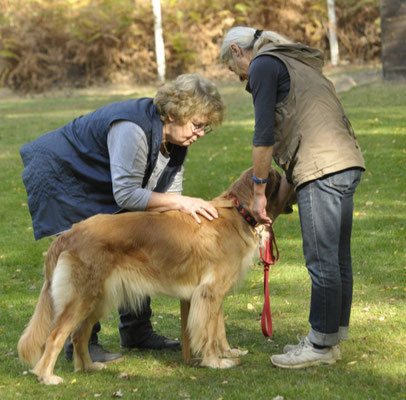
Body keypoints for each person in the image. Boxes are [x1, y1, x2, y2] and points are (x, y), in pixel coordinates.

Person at [20, 73, 225, 363]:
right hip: (64, 177)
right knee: (90, 257)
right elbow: (127, 196)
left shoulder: (178, 141)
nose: (201, 133)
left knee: (139, 247)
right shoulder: (133, 129)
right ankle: (81, 345)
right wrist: (179, 202)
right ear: (174, 113)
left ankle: (136, 332)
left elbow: (168, 199)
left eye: (207, 128)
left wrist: (179, 218)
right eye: (198, 125)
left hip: (106, 181)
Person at [220, 27, 365, 368]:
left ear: (239, 52)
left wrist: (258, 193)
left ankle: (319, 346)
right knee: (337, 257)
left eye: (233, 69)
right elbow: (297, 149)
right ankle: (333, 337)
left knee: (321, 260)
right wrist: (275, 207)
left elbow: (264, 137)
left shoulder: (262, 66)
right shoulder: (294, 62)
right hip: (346, 161)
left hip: (321, 167)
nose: (240, 78)